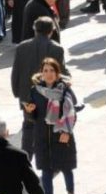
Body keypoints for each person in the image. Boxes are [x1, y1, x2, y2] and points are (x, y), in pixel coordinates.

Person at [11, 17, 69, 158]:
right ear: (52, 31)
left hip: (27, 96)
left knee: (28, 128)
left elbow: (15, 73)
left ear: (34, 29)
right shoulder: (56, 48)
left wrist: (18, 94)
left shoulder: (22, 47)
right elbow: (61, 72)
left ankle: (26, 159)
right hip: (49, 97)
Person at [24, 59, 79, 194]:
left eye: (52, 70)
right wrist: (29, 111)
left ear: (57, 73)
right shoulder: (35, 91)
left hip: (61, 136)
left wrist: (67, 132)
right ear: (41, 73)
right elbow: (32, 118)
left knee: (66, 169)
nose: (49, 74)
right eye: (45, 70)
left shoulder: (65, 90)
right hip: (42, 138)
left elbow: (72, 114)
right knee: (46, 173)